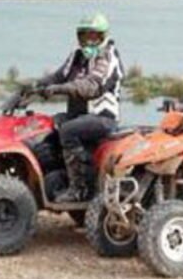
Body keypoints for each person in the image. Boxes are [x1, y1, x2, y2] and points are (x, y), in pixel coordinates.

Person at [35, 12, 124, 203]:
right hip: (79, 116)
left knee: (68, 131)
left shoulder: (107, 57)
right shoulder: (76, 56)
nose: (89, 41)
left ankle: (80, 189)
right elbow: (58, 75)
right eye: (85, 36)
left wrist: (60, 89)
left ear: (102, 36)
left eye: (94, 36)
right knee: (48, 126)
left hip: (102, 119)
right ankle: (59, 176)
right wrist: (35, 86)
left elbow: (91, 87)